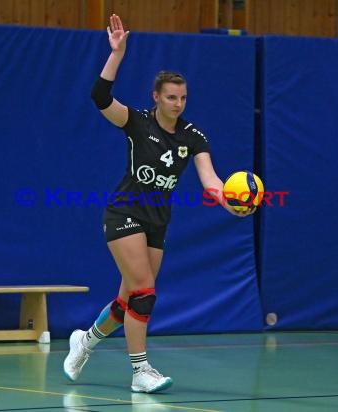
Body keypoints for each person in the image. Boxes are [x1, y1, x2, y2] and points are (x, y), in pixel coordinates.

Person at [63, 14, 255, 393]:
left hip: (157, 220)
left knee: (126, 302)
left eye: (183, 97)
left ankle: (84, 343)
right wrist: (116, 54)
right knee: (144, 292)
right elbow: (99, 97)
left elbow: (211, 180)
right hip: (124, 212)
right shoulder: (137, 122)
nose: (178, 103)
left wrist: (228, 203)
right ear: (156, 97)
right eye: (171, 97)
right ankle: (140, 371)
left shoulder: (193, 136)